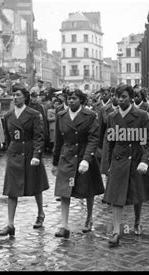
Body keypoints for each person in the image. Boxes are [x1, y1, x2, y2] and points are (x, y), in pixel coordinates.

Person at [103, 84, 149, 246]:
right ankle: (116, 231)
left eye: (124, 96)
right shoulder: (112, 117)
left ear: (131, 97)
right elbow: (110, 143)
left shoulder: (142, 115)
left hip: (136, 159)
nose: (120, 99)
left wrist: (145, 161)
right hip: (119, 161)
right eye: (118, 96)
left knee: (137, 193)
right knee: (116, 197)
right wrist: (107, 166)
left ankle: (138, 221)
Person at [51, 89, 104, 238]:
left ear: (81, 100)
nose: (71, 101)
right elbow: (58, 140)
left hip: (84, 155)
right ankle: (64, 225)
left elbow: (94, 138)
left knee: (88, 190)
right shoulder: (61, 115)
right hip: (67, 157)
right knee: (64, 190)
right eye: (69, 98)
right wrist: (55, 162)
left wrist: (87, 159)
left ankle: (89, 218)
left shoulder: (90, 115)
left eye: (74, 98)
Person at [0, 85, 49, 237]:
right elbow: (8, 137)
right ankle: (10, 224)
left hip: (30, 154)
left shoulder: (34, 114)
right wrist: (10, 151)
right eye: (13, 94)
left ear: (25, 97)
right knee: (11, 190)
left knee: (35, 186)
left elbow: (39, 136)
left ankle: (40, 213)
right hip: (14, 155)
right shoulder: (8, 116)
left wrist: (36, 155)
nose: (15, 97)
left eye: (18, 94)